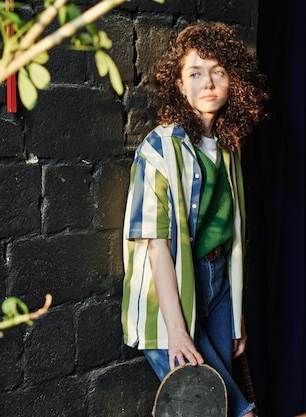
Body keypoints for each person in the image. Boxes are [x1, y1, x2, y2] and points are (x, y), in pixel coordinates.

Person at [121, 22, 268, 417]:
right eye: (195, 72)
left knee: (218, 404)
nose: (208, 82)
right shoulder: (159, 148)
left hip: (217, 283)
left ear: (233, 80)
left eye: (218, 71)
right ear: (179, 85)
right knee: (230, 410)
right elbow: (155, 245)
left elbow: (233, 239)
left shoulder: (229, 149)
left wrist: (234, 315)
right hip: (169, 292)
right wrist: (175, 329)